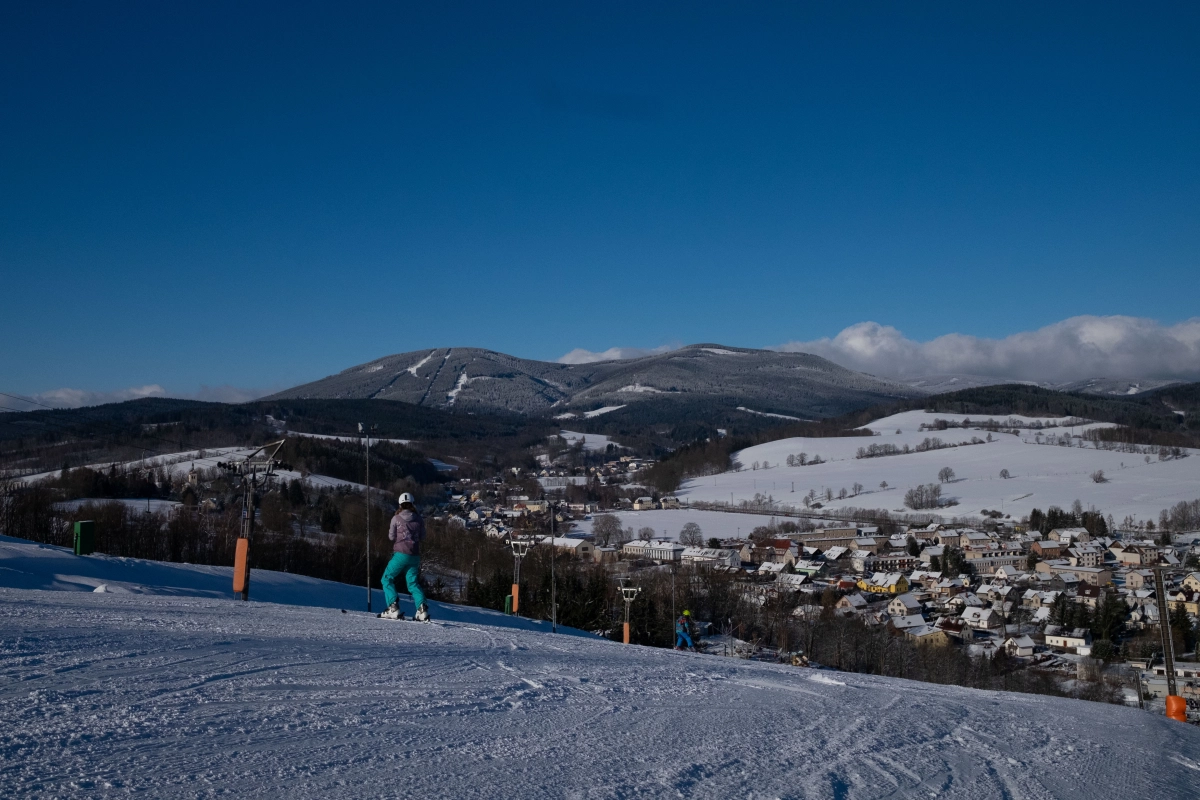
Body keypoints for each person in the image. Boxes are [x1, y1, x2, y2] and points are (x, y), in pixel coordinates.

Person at [378, 493, 430, 621]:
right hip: (414, 556)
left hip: (400, 554)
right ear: (413, 504)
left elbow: (391, 537)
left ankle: (393, 607)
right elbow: (423, 537)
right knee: (412, 583)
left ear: (400, 504)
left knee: (387, 578)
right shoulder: (419, 519)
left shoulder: (396, 518)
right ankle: (421, 610)